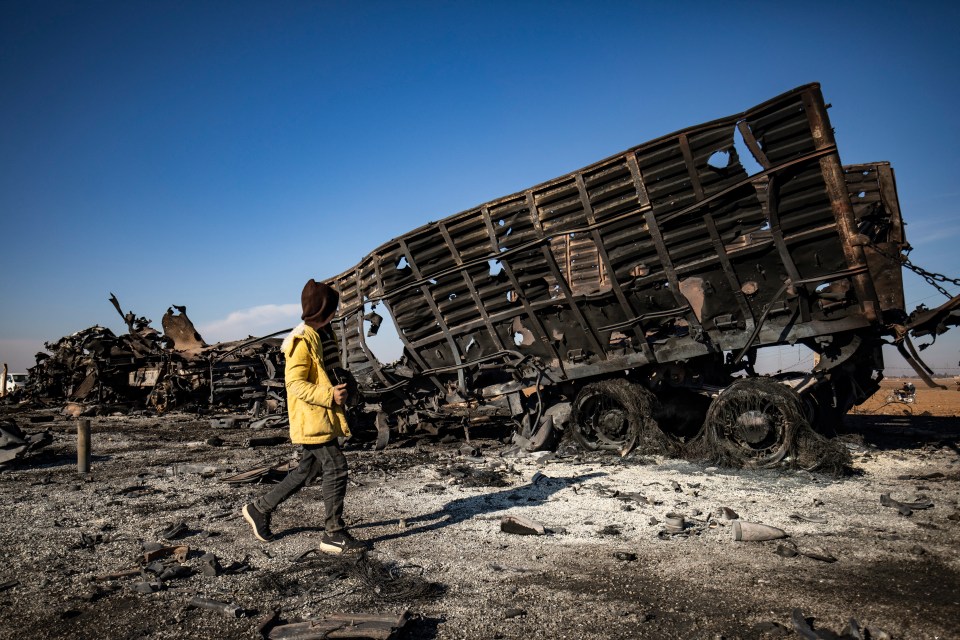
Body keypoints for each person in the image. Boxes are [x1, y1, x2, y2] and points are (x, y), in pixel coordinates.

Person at [242, 279, 366, 553]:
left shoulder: (324, 333)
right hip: (312, 417)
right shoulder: (302, 339)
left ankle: (259, 509)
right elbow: (294, 384)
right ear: (324, 308)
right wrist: (329, 396)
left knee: (307, 470)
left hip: (323, 415)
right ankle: (333, 533)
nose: (336, 311)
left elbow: (328, 372)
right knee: (336, 465)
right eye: (333, 307)